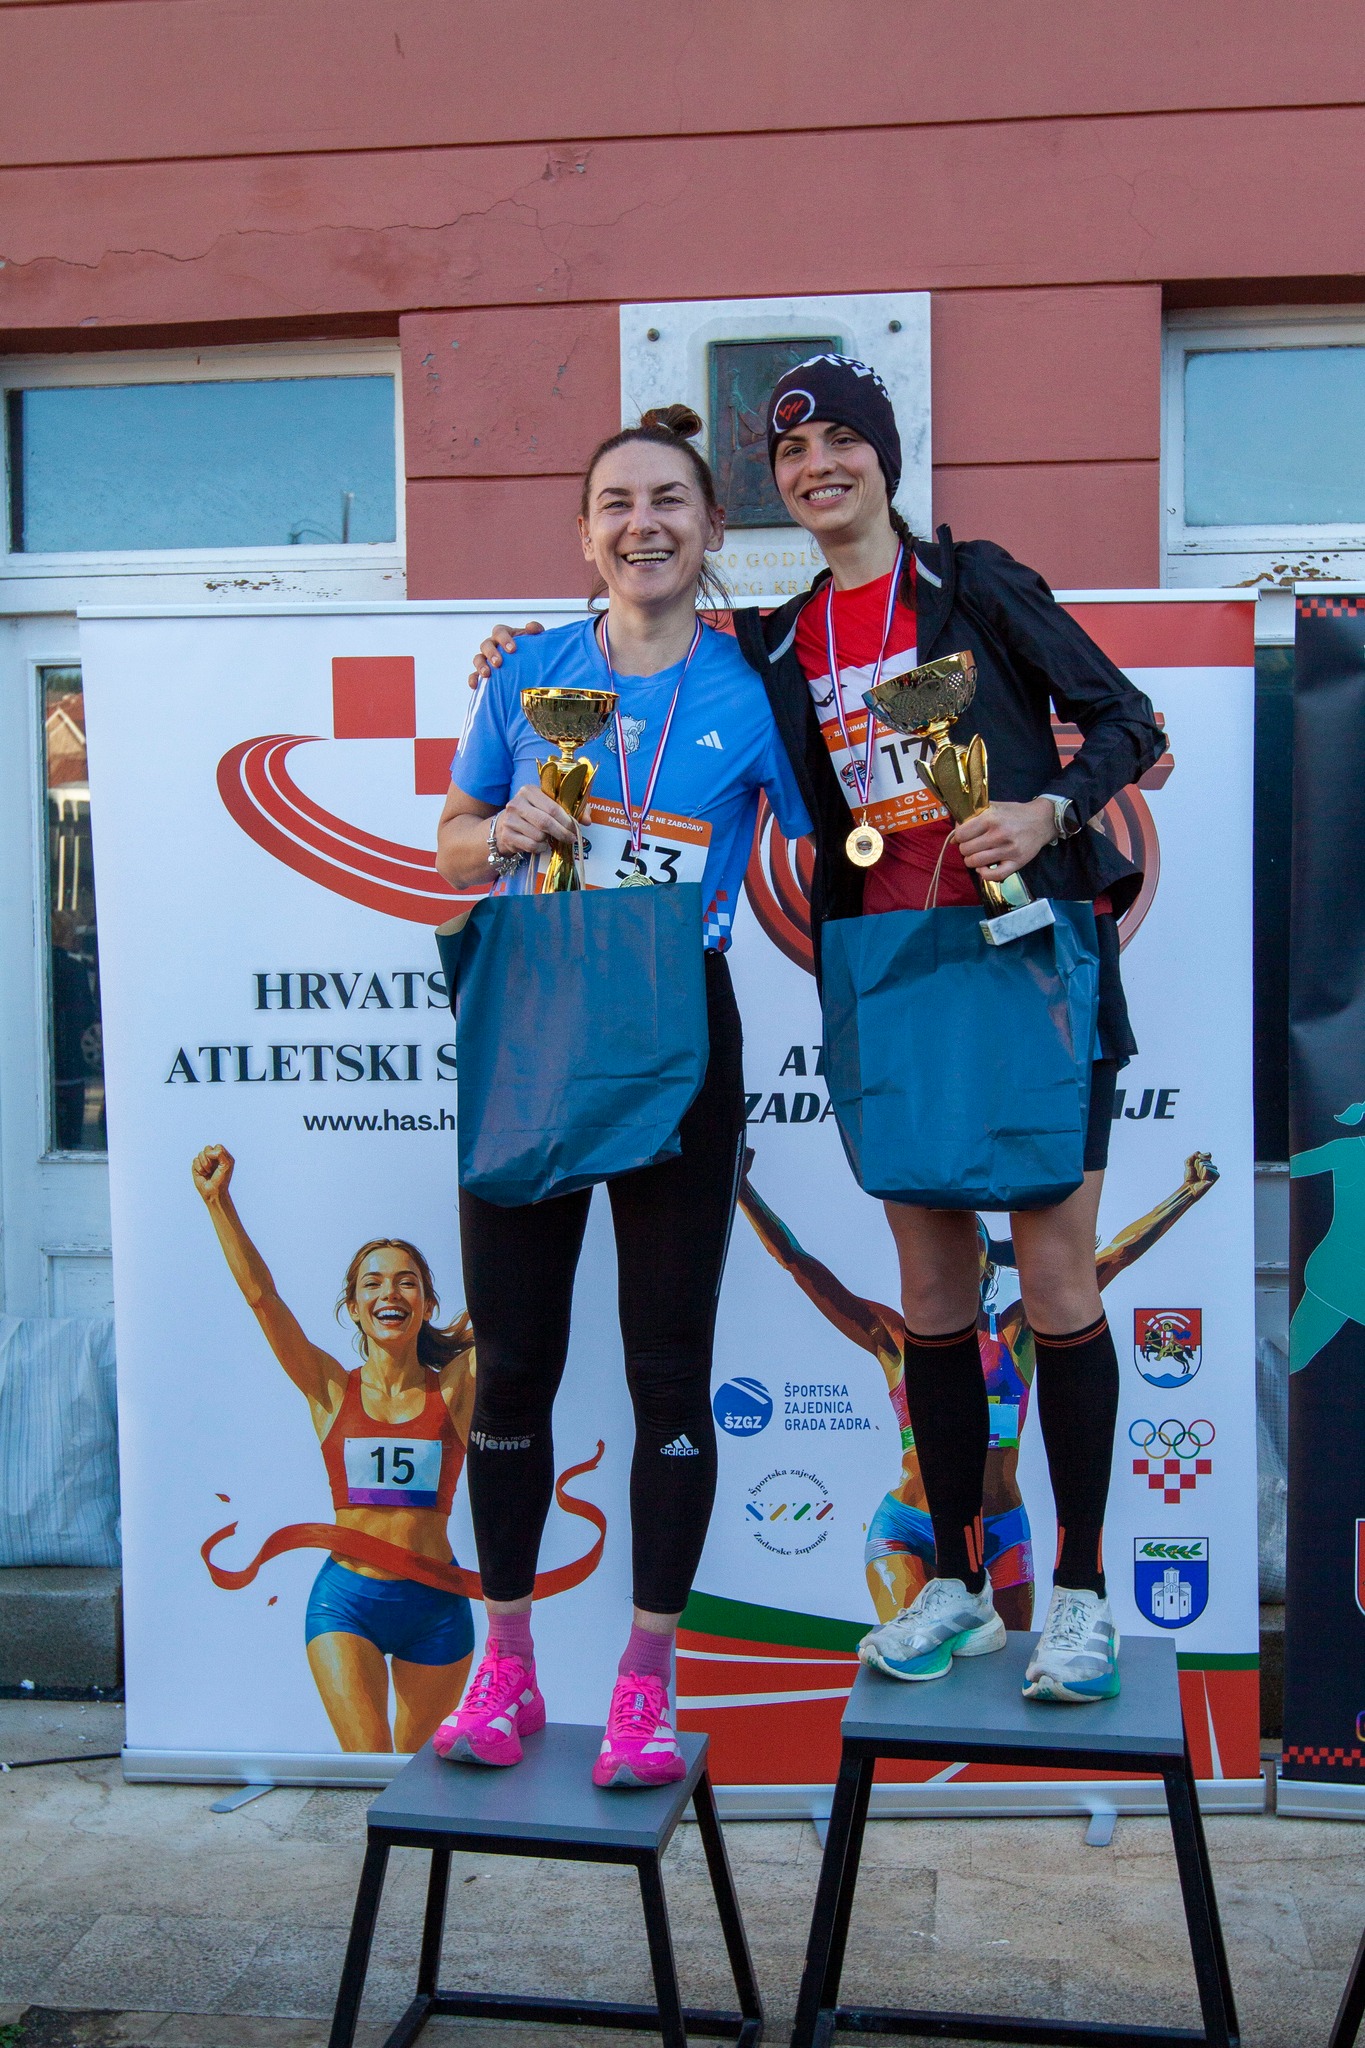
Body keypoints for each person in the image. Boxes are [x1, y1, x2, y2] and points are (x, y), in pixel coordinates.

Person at [472, 356, 1164, 1705]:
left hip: (1030, 967)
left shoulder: (975, 586)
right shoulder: (779, 644)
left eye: (842, 440)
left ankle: (1080, 1592)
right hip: (888, 981)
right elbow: (643, 662)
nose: (818, 466)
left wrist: (1050, 811)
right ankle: (957, 1583)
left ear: (884, 457)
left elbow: (1125, 722)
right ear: (774, 487)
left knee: (1057, 1284)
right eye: (793, 453)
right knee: (934, 1299)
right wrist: (513, 659)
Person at [432, 406, 812, 1785]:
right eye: (616, 503)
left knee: (667, 1373)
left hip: (676, 1024)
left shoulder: (758, 686)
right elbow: (453, 843)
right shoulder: (526, 670)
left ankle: (646, 1686)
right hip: (536, 1017)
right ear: (584, 533)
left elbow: (834, 847)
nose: (642, 523)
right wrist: (500, 829)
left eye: (669, 501)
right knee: (513, 1365)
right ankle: (506, 1670)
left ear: (711, 529)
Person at [737, 1149, 1220, 1629]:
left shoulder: (1017, 1332)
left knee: (1002, 1668)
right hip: (906, 1530)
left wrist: (1185, 1195)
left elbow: (1114, 1257)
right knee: (918, 1662)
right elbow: (799, 1263)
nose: (960, 1245)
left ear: (987, 1264)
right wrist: (740, 1189)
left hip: (1002, 1532)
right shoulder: (896, 1339)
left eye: (974, 1239)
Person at [191, 1145, 476, 1753]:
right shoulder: (329, 1389)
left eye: (407, 1282)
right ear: (354, 1308)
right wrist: (219, 1203)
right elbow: (263, 1299)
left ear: (427, 1305)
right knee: (368, 1770)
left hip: (436, 1604)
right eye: (373, 1283)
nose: (390, 1291)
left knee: (416, 1780)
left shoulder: (454, 1390)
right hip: (347, 1603)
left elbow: (510, 1310)